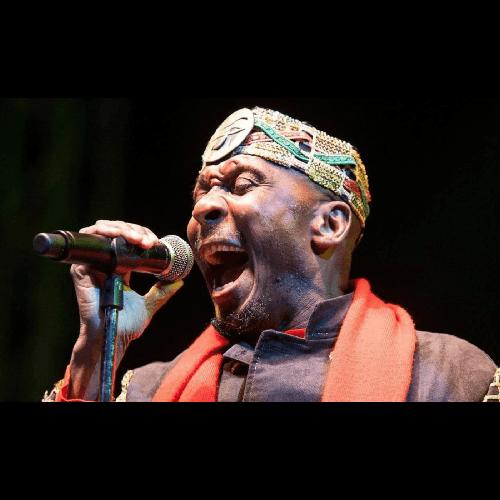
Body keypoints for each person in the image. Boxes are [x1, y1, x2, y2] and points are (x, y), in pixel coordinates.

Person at [43, 107, 500, 402]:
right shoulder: (150, 389)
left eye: (242, 185)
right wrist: (96, 352)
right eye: (202, 191)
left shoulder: (448, 377)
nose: (203, 208)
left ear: (330, 224)